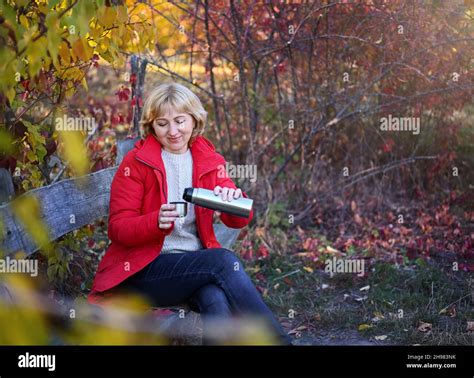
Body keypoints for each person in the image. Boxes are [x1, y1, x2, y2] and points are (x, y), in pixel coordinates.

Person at [88, 82, 292, 345]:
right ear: (152, 126)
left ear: (194, 120)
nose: (173, 131)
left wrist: (232, 198)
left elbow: (239, 219)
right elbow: (118, 228)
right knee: (222, 262)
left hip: (192, 269)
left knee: (215, 298)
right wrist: (154, 221)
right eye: (162, 124)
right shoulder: (137, 164)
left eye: (180, 121)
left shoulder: (208, 160)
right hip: (142, 271)